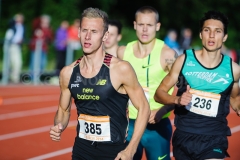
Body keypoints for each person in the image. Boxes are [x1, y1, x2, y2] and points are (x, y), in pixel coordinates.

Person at [49, 7, 150, 160]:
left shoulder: (120, 69)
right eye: (84, 30)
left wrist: (131, 149)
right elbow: (63, 111)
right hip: (81, 150)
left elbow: (144, 108)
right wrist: (59, 126)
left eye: (94, 32)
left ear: (105, 36)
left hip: (114, 152)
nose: (87, 37)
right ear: (78, 32)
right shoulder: (68, 72)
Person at [154, 10, 240, 160]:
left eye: (217, 31)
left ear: (224, 36)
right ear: (201, 35)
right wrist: (177, 100)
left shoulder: (234, 70)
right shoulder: (184, 60)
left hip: (214, 138)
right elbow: (159, 93)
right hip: (184, 137)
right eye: (207, 30)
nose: (212, 35)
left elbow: (235, 99)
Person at [117, 6, 177, 160]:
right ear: (135, 25)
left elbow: (182, 92)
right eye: (141, 25)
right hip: (129, 125)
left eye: (149, 25)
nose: (145, 30)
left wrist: (163, 110)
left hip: (156, 125)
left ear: (157, 27)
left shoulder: (168, 54)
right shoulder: (123, 52)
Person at [3, 13, 25, 84]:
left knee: (18, 63)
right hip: (10, 46)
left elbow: (22, 36)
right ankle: (6, 78)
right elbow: (9, 23)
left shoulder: (23, 26)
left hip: (17, 46)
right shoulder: (12, 26)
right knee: (8, 63)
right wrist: (15, 18)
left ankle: (15, 78)